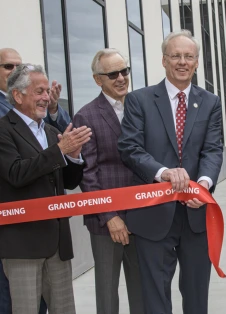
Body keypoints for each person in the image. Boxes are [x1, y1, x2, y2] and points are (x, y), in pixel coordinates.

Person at [118, 31, 223, 314]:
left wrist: (202, 185)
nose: (182, 62)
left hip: (196, 215)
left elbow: (213, 150)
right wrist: (163, 173)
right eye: (175, 55)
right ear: (164, 60)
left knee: (197, 296)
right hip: (152, 216)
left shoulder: (211, 103)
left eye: (188, 56)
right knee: (155, 300)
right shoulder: (138, 100)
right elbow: (129, 148)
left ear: (197, 62)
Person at [0, 64, 90, 313]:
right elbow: (16, 174)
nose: (46, 98)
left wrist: (73, 156)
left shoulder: (51, 131)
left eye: (47, 92)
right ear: (18, 96)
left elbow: (68, 182)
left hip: (58, 244)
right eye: (39, 91)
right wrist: (59, 151)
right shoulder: (3, 131)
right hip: (23, 246)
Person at [73, 49, 143, 314]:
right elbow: (87, 174)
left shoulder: (140, 107)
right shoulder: (86, 116)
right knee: (107, 292)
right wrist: (109, 216)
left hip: (141, 216)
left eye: (125, 71)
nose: (121, 78)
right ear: (97, 79)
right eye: (113, 74)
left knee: (142, 290)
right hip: (106, 223)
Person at [0, 48, 71, 132]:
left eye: (19, 67)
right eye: (9, 66)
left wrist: (53, 108)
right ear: (17, 95)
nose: (15, 71)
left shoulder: (40, 100)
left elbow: (67, 130)